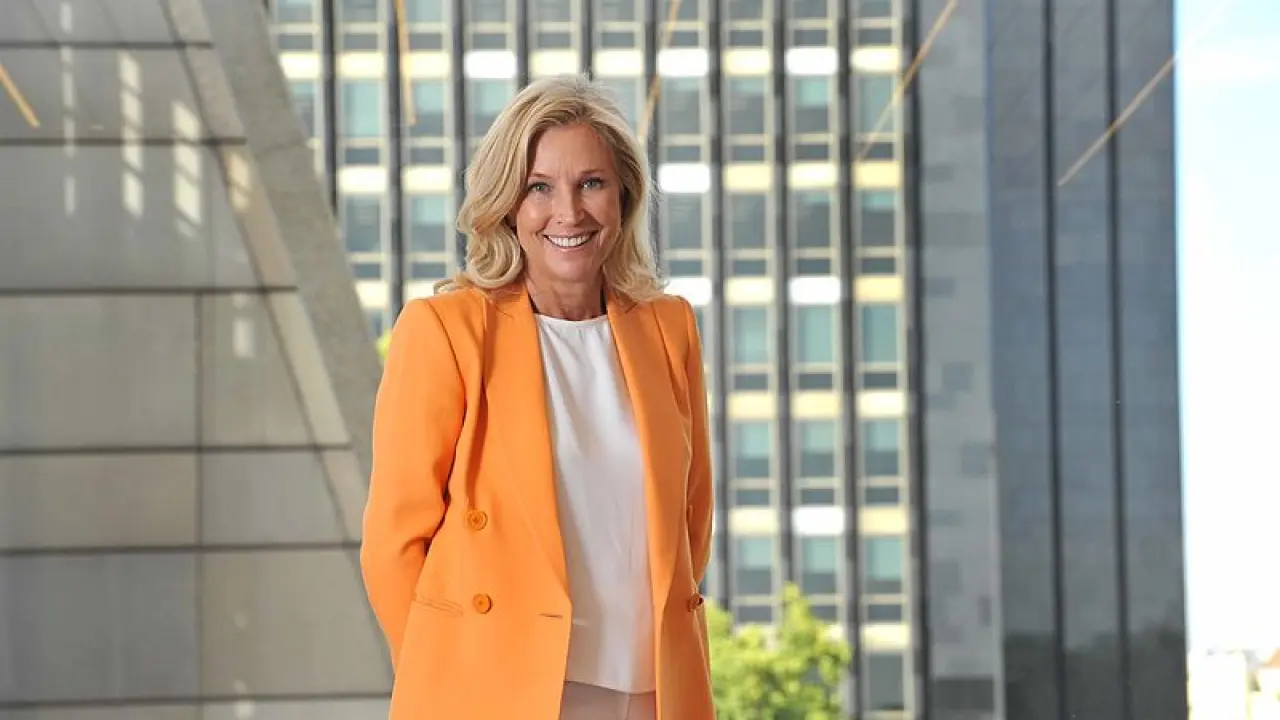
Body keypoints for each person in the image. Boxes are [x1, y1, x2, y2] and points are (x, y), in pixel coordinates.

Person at [360, 74, 715, 720]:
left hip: (656, 687)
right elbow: (394, 543)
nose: (568, 213)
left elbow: (691, 519)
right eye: (539, 188)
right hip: (503, 691)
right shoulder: (447, 331)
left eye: (591, 183)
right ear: (507, 205)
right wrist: (447, 681)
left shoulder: (669, 328)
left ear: (624, 195)